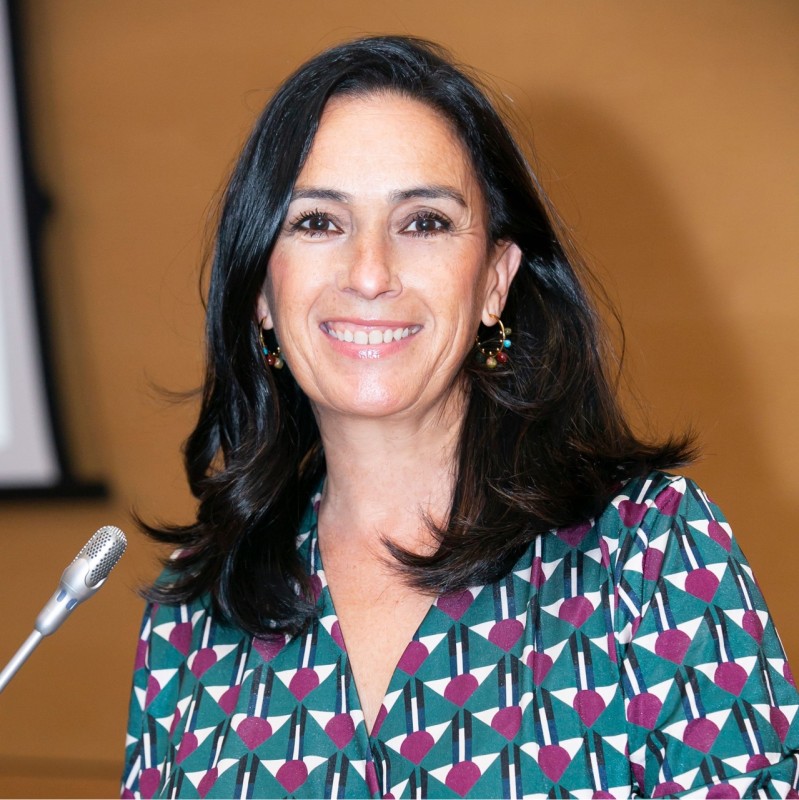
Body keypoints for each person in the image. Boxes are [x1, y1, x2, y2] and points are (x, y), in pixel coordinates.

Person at [121, 36, 799, 799]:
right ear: (260, 292)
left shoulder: (646, 555)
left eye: (424, 222)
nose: (369, 273)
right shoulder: (196, 612)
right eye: (317, 222)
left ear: (494, 282)